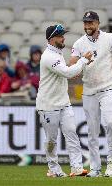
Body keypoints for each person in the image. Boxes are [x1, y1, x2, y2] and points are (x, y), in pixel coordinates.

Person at [70, 11, 112, 177]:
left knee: (110, 122)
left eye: (90, 23)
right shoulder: (79, 44)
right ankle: (95, 168)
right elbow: (72, 70)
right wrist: (82, 60)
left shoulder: (109, 38)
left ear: (97, 23)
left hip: (107, 87)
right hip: (89, 90)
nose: (87, 26)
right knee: (92, 131)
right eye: (85, 23)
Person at [36, 24, 93, 177]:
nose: (63, 38)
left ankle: (77, 168)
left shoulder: (58, 53)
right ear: (52, 39)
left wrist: (69, 72)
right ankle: (53, 169)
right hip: (48, 105)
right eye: (60, 36)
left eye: (63, 35)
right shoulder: (48, 56)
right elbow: (66, 72)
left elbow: (63, 73)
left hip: (63, 102)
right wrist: (82, 61)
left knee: (72, 134)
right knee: (51, 140)